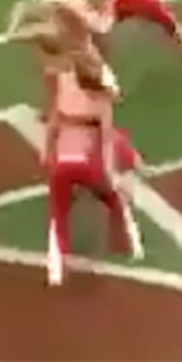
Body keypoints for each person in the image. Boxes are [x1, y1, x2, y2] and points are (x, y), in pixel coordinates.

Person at [44, 57, 143, 286]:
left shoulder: (65, 97)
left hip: (62, 164)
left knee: (58, 216)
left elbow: (51, 129)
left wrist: (48, 156)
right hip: (88, 166)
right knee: (114, 200)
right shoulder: (101, 104)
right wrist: (108, 173)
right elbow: (107, 142)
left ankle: (55, 271)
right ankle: (133, 244)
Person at [6, 0, 119, 117]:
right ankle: (52, 110)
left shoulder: (58, 30)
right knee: (53, 71)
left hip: (64, 12)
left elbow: (20, 20)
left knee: (53, 71)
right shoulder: (55, 22)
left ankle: (52, 110)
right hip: (60, 4)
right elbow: (20, 9)